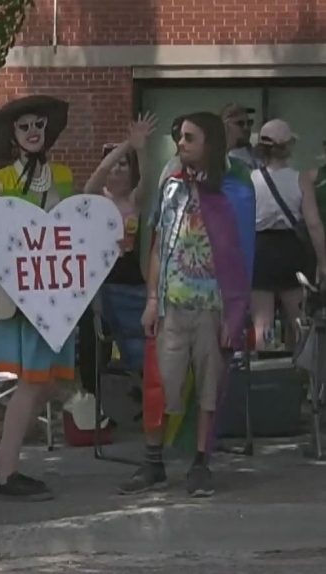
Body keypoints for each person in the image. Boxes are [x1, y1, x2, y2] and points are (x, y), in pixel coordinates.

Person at [121, 111, 253, 498]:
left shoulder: (235, 188)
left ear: (209, 144)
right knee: (159, 383)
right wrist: (150, 300)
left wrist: (236, 312)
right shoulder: (172, 187)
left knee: (209, 387)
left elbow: (241, 255)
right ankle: (152, 462)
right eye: (179, 137)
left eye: (189, 138)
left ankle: (200, 463)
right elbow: (159, 245)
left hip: (213, 306)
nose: (180, 143)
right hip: (171, 306)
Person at [0, 95, 74, 500]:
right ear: (13, 136)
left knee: (46, 383)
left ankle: (0, 464)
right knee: (33, 382)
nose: (33, 131)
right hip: (22, 295)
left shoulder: (63, 175)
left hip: (59, 294)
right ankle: (6, 471)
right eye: (24, 126)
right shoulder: (0, 182)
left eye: (38, 125)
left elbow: (73, 229)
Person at [82, 114, 158, 374]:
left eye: (123, 165)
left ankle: (138, 383)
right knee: (101, 338)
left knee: (137, 337)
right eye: (115, 165)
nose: (117, 169)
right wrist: (126, 145)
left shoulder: (134, 200)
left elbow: (147, 176)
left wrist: (141, 149)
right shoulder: (96, 198)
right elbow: (98, 173)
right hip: (100, 276)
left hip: (128, 272)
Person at [250, 119, 326, 349]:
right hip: (290, 249)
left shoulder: (251, 179)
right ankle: (300, 372)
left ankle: (265, 371)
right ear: (288, 146)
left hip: (259, 249)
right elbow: (313, 224)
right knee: (299, 319)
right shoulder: (300, 179)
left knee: (262, 321)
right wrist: (323, 261)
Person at [222, 104, 259, 170]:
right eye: (240, 123)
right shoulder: (217, 157)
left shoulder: (259, 155)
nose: (246, 128)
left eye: (249, 123)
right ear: (225, 126)